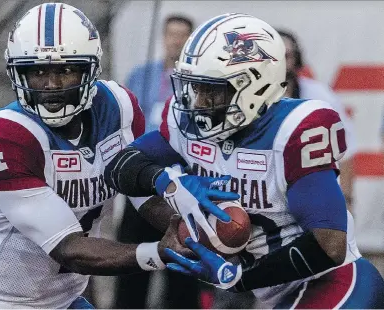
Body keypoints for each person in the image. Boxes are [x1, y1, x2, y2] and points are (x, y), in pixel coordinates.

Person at [0, 4, 218, 309]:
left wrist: (189, 228)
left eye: (66, 69)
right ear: (18, 72)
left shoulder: (118, 107)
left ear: (90, 70)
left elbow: (141, 196)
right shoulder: (4, 134)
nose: (51, 85)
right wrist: (158, 253)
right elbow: (68, 248)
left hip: (61, 300)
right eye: (38, 70)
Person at [104, 13, 384, 308]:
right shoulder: (187, 122)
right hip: (276, 293)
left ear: (254, 86)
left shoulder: (294, 129)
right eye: (194, 87)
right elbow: (121, 165)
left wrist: (239, 279)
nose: (197, 101)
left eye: (211, 90)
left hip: (333, 283)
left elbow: (330, 245)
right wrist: (168, 183)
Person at [115, 15, 201, 309]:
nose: (176, 41)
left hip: (182, 182)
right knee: (132, 263)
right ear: (163, 37)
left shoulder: (198, 81)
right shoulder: (142, 75)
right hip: (142, 181)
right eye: (171, 34)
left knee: (183, 268)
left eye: (182, 36)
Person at [278, 29, 358, 208]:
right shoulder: (252, 98)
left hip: (313, 194)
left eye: (287, 56)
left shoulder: (319, 95)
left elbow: (346, 150)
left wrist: (347, 202)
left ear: (297, 59)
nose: (281, 64)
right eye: (275, 57)